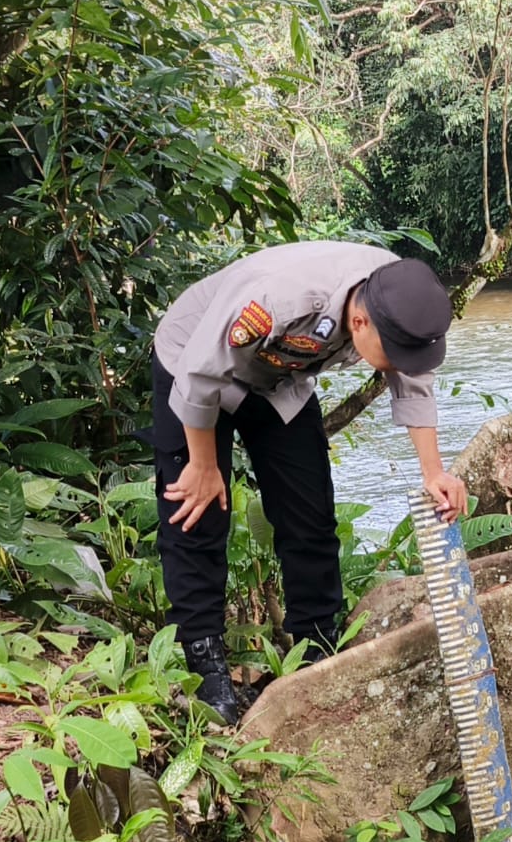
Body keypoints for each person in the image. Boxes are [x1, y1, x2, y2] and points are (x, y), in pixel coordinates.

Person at [149, 240, 468, 723]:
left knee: (310, 513)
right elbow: (199, 375)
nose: (401, 362)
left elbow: (413, 379)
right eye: (394, 352)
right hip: (194, 359)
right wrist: (203, 463)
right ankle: (207, 674)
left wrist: (434, 473)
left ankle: (316, 651)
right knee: (196, 510)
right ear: (359, 324)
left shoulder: (396, 296)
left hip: (279, 378)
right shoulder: (279, 301)